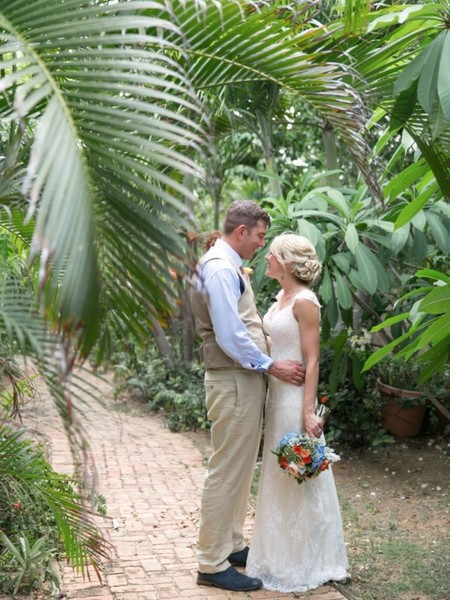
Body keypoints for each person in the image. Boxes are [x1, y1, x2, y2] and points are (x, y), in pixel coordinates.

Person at [190, 201, 305, 592]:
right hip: (234, 379)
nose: (261, 244)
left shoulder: (222, 263)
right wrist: (272, 365)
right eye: (259, 236)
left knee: (240, 469)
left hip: (241, 379)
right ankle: (210, 561)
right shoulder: (221, 268)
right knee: (226, 470)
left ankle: (233, 543)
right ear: (241, 232)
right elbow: (230, 335)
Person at [246, 233, 350, 592]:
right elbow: (276, 342)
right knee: (279, 474)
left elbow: (313, 359)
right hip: (276, 397)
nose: (266, 261)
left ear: (287, 263)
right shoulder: (280, 299)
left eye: (271, 256)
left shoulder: (305, 301)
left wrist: (309, 412)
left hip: (293, 399)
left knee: (298, 474)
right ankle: (278, 554)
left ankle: (310, 558)